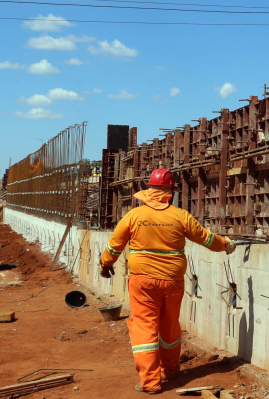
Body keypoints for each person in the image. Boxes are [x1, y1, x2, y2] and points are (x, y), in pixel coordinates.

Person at [99, 168, 237, 394]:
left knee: (145, 328)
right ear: (170, 192)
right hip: (172, 282)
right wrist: (226, 245)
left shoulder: (134, 216)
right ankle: (170, 370)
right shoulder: (180, 216)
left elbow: (114, 245)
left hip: (142, 282)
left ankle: (151, 382)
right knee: (169, 326)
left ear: (149, 190)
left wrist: (106, 264)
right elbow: (206, 238)